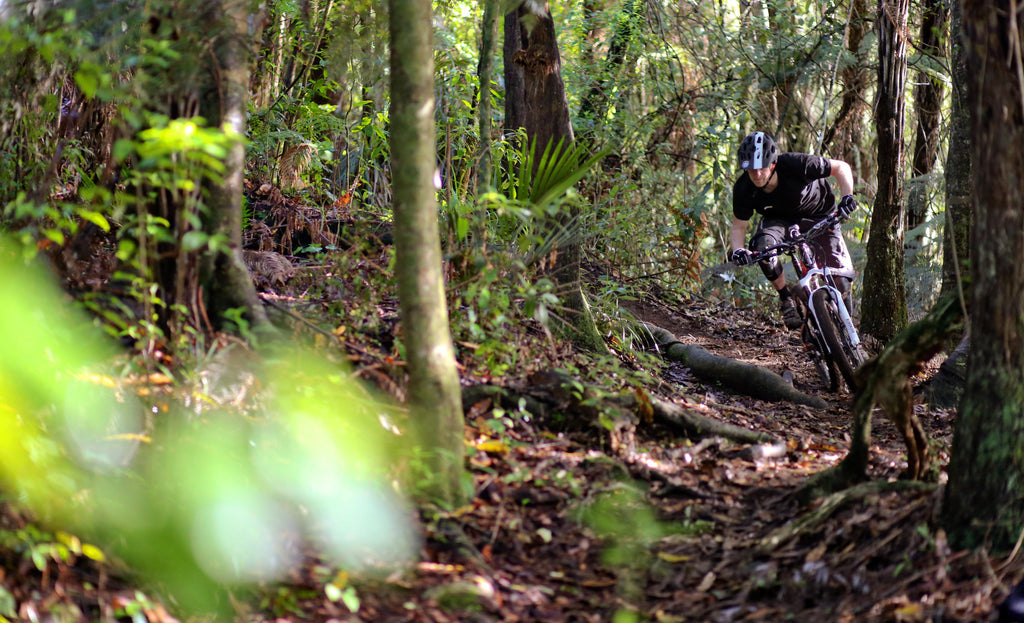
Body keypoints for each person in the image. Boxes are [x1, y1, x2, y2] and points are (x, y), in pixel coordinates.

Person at [729, 131, 858, 330]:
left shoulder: (796, 164)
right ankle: (786, 299)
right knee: (762, 248)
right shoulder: (744, 188)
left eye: (761, 168)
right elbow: (739, 226)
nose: (756, 174)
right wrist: (738, 250)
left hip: (819, 213)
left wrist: (847, 197)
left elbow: (841, 167)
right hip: (779, 221)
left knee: (841, 281)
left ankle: (846, 328)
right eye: (750, 169)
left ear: (772, 164)